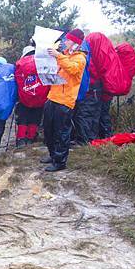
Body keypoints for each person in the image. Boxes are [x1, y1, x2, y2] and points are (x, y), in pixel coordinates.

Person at [41, 29, 87, 172]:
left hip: (65, 101)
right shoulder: (64, 56)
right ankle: (53, 155)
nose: (65, 42)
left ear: (75, 43)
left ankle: (60, 162)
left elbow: (73, 69)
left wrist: (59, 56)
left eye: (68, 40)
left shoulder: (80, 58)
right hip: (52, 97)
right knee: (48, 130)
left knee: (61, 132)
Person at [14, 45, 50, 147]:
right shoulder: (43, 62)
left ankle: (21, 140)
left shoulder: (20, 64)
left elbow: (17, 81)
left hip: (24, 97)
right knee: (35, 118)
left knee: (23, 118)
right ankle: (30, 139)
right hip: (40, 97)